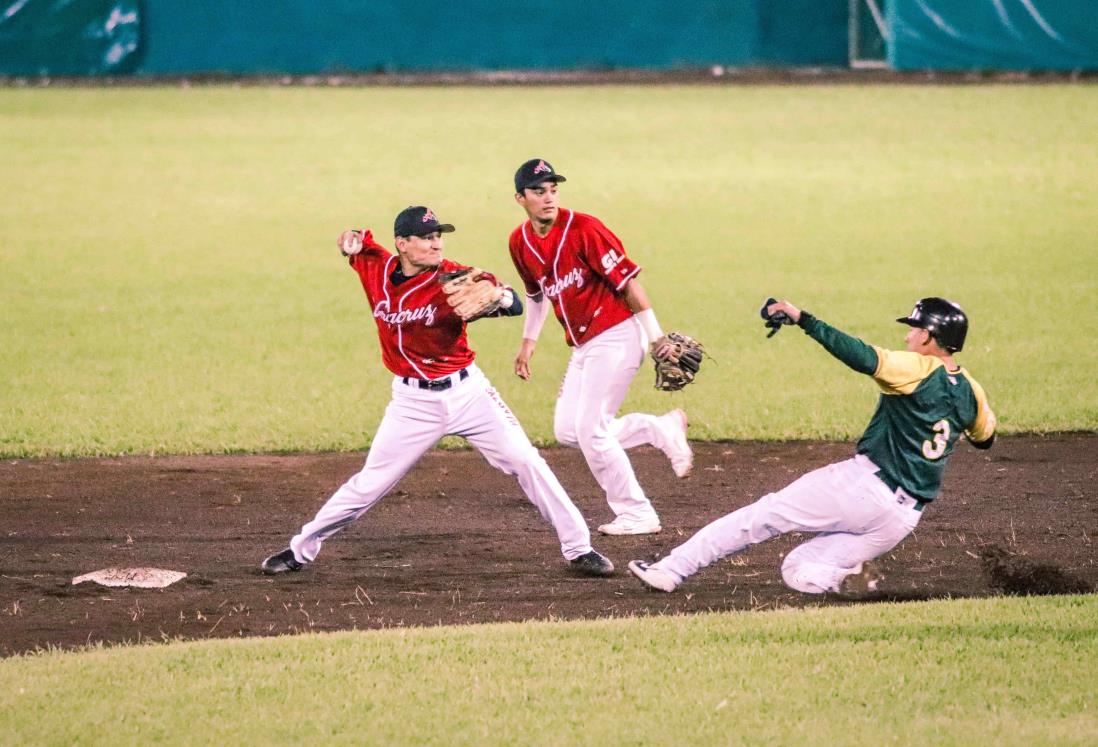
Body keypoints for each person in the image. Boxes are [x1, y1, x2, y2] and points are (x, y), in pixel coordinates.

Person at [261, 206, 614, 578]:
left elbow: (510, 302)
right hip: (413, 404)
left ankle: (580, 548)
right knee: (369, 484)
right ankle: (301, 550)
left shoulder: (454, 277)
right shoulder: (377, 267)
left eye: (439, 236)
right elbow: (357, 244)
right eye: (427, 238)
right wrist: (348, 243)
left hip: (469, 393)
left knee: (526, 461)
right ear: (402, 244)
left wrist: (499, 297)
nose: (436, 244)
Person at [629, 297, 997, 595]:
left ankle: (670, 570)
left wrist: (802, 318)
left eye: (915, 329)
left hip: (863, 489)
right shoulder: (972, 391)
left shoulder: (918, 367)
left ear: (930, 337)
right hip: (900, 520)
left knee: (763, 516)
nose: (908, 337)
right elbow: (985, 438)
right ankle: (848, 583)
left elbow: (860, 355)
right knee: (801, 569)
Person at [507, 158, 693, 537]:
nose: (548, 198)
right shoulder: (519, 242)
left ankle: (637, 512)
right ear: (520, 198)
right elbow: (536, 294)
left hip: (618, 334)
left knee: (591, 430)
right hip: (584, 345)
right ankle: (660, 429)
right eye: (539, 192)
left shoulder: (585, 229)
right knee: (568, 431)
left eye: (553, 190)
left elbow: (628, 283)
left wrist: (655, 336)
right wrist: (529, 342)